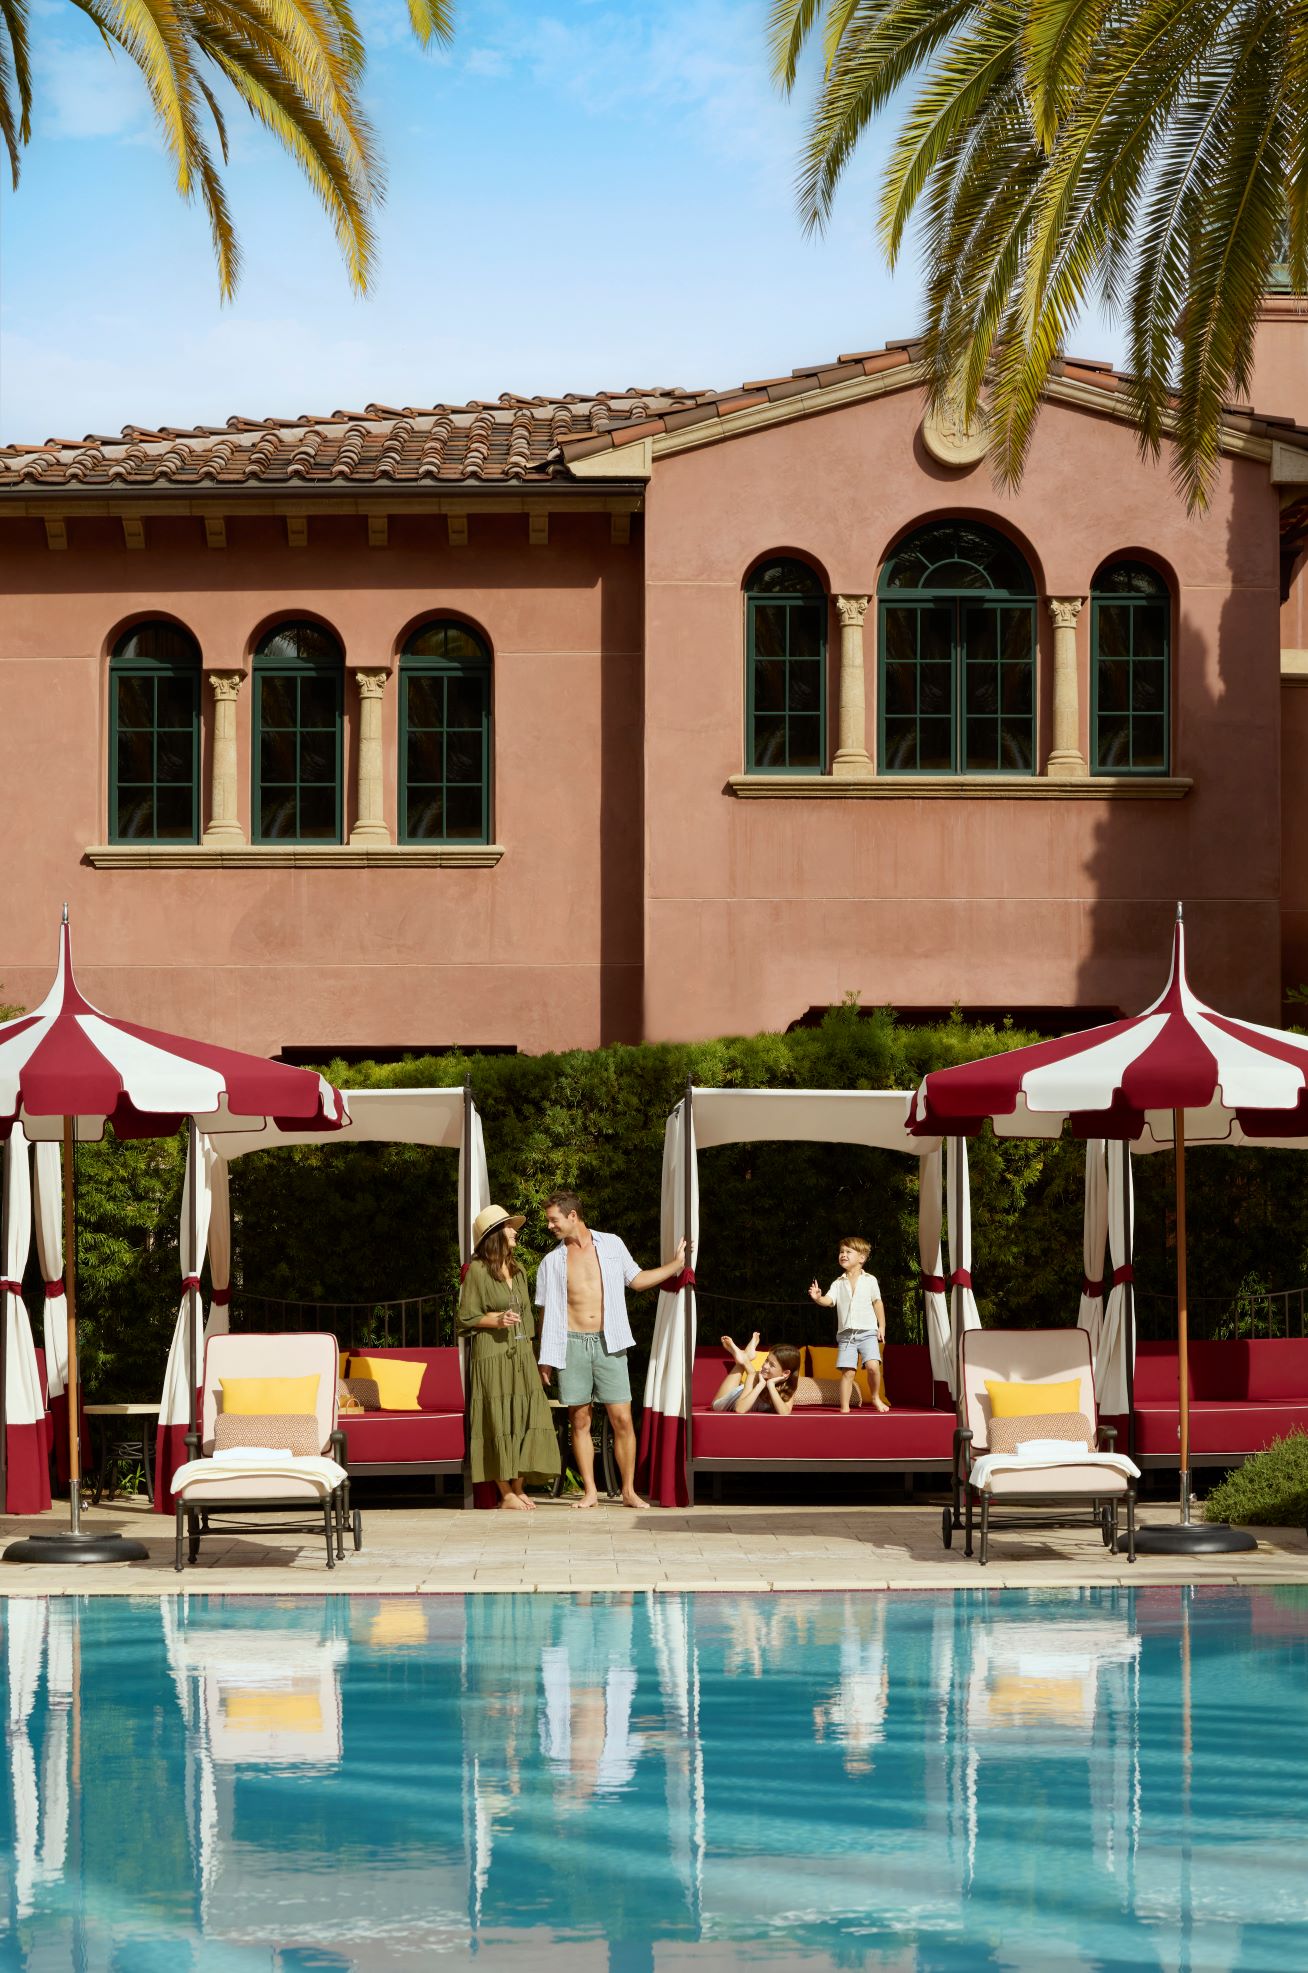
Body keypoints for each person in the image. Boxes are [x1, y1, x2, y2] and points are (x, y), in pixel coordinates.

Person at [535, 1189, 686, 1511]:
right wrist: (545, 1358)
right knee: (580, 1421)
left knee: (622, 1419)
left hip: (610, 1342)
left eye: (553, 1219)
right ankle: (591, 1491)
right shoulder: (551, 1262)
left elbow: (638, 1279)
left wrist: (675, 1266)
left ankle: (629, 1491)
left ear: (572, 1216)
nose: (550, 1226)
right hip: (570, 1344)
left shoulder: (612, 1244)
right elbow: (545, 1312)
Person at [458, 1203, 561, 1509]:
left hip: (521, 1356)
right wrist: (496, 1320)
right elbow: (465, 1319)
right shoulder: (476, 1271)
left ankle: (519, 1487)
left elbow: (527, 1318)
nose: (515, 1231)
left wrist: (536, 1361)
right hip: (492, 1355)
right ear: (494, 1235)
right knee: (497, 1420)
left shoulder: (518, 1271)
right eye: (509, 1227)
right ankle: (505, 1494)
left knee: (529, 1417)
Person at [808, 1236, 889, 1413]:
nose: (843, 1255)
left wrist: (881, 1326)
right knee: (848, 1372)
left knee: (873, 1367)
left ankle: (875, 1397)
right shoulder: (838, 1283)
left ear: (862, 1258)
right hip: (846, 1335)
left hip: (868, 1332)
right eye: (841, 1252)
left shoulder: (870, 1280)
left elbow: (877, 1303)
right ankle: (844, 1408)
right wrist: (818, 1298)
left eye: (848, 1252)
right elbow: (829, 1301)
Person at [710, 1332, 802, 1415]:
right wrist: (761, 1384)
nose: (765, 1366)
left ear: (785, 1373)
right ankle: (743, 1361)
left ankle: (745, 1358)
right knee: (716, 1405)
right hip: (736, 1398)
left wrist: (771, 1385)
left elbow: (785, 1413)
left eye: (772, 1365)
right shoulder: (755, 1377)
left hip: (751, 1382)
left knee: (751, 1372)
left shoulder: (788, 1385)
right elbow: (740, 1409)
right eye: (766, 1360)